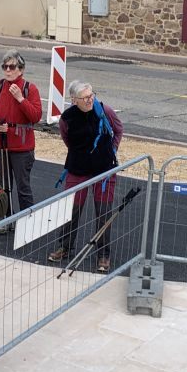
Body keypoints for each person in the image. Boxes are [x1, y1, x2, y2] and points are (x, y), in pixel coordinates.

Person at [48, 81, 124, 273]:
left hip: (104, 170)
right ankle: (65, 247)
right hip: (77, 168)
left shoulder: (104, 110)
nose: (90, 100)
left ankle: (103, 255)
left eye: (92, 95)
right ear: (74, 100)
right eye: (85, 98)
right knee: (71, 210)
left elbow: (118, 130)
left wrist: (111, 150)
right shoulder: (67, 118)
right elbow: (67, 139)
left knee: (103, 213)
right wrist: (81, 155)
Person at [0, 50, 41, 229]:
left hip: (22, 148)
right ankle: (6, 219)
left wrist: (20, 99)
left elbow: (36, 116)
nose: (8, 70)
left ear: (21, 69)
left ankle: (27, 222)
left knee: (23, 187)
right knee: (1, 185)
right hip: (0, 145)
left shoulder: (29, 89)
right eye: (5, 67)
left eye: (12, 66)